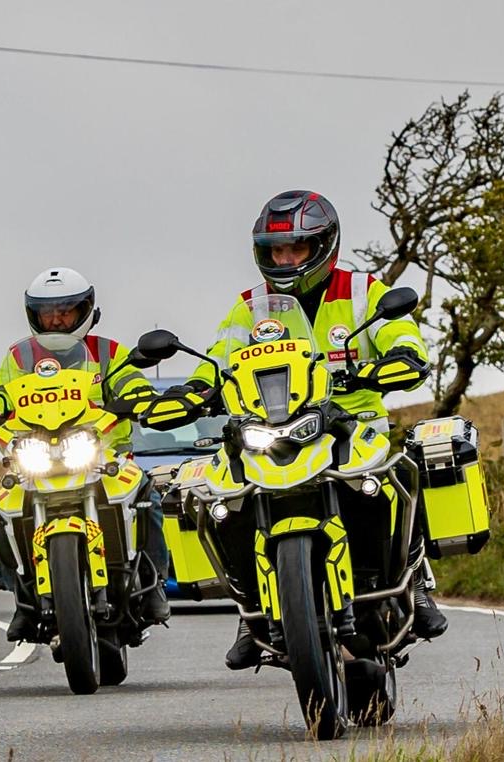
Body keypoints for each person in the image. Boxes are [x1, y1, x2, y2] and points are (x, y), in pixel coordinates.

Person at [176, 190, 446, 669]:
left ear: (323, 246)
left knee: (402, 470)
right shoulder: (249, 307)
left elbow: (401, 334)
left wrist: (402, 356)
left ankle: (416, 582)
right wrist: (195, 390)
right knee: (222, 495)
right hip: (269, 427)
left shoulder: (363, 292)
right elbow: (219, 357)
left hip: (353, 423)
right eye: (277, 251)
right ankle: (248, 609)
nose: (285, 259)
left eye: (296, 249)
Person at [0, 267, 170, 641]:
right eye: (46, 311)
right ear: (32, 314)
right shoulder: (18, 358)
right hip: (34, 463)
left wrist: (138, 396)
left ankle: (153, 585)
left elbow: (131, 381)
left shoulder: (109, 352)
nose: (55, 318)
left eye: (65, 310)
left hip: (105, 457)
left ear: (85, 309)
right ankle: (21, 597)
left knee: (147, 493)